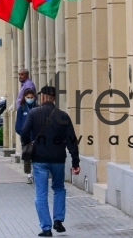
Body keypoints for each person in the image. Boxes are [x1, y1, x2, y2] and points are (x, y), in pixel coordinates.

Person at [21, 86, 80, 237]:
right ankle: (58, 220)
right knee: (59, 188)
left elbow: (25, 132)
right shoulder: (63, 116)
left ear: (43, 97)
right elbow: (72, 140)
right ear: (53, 98)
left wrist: (28, 145)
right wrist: (75, 162)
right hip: (58, 159)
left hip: (39, 159)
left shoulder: (34, 113)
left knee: (41, 193)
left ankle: (46, 228)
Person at [15, 88, 36, 184]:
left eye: (31, 97)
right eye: (28, 97)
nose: (30, 99)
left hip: (36, 137)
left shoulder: (37, 108)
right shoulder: (22, 108)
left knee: (37, 156)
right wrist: (24, 134)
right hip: (25, 137)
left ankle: (36, 173)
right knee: (27, 155)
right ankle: (28, 175)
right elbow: (18, 126)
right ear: (24, 97)